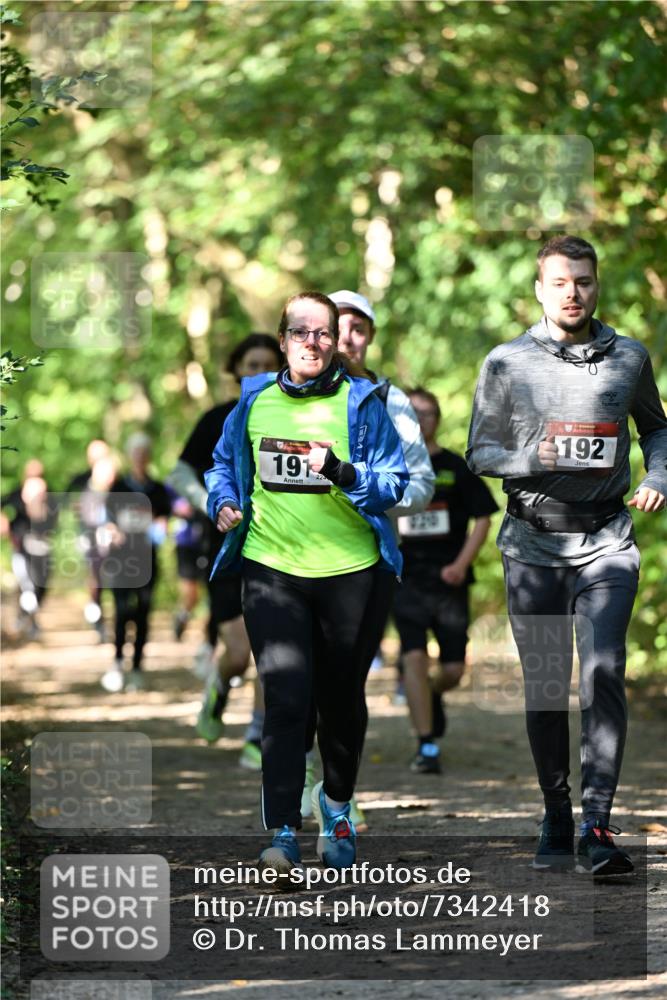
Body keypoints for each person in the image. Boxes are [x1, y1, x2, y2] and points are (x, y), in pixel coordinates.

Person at [466, 235, 667, 877]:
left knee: (603, 673)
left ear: (595, 285)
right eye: (560, 282)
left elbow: (658, 429)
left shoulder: (628, 358)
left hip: (608, 541)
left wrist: (659, 476)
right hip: (532, 546)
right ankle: (556, 810)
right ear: (539, 289)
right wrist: (535, 459)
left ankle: (597, 823)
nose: (572, 292)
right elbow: (480, 452)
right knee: (548, 689)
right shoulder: (505, 363)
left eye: (582, 281)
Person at [205, 292, 408, 873]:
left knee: (340, 701)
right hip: (272, 570)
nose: (313, 342)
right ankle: (283, 831)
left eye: (324, 333)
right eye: (301, 332)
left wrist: (343, 472)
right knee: (287, 697)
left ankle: (337, 804)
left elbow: (394, 483)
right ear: (283, 338)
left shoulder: (363, 401)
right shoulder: (255, 401)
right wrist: (223, 501)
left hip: (352, 573)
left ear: (337, 338)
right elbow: (221, 463)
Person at [168, 333, 282, 756]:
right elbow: (179, 474)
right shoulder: (217, 417)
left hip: (278, 549)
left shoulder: (291, 418)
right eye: (251, 364)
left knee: (271, 650)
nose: (260, 372)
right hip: (225, 550)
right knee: (238, 652)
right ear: (236, 370)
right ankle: (217, 690)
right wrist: (212, 503)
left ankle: (258, 735)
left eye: (269, 364)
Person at [394, 387, 498, 774]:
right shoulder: (393, 466)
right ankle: (427, 745)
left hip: (450, 580)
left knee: (453, 670)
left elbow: (484, 516)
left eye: (428, 413)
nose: (422, 420)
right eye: (414, 413)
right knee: (415, 659)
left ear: (438, 418)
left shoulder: (455, 466)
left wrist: (461, 563)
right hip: (406, 579)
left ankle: (431, 696)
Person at [101, 433, 172, 693]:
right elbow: (107, 521)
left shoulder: (158, 490)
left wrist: (154, 526)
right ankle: (118, 663)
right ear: (130, 456)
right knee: (121, 612)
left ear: (149, 457)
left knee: (143, 613)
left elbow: (162, 524)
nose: (140, 458)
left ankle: (138, 667)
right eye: (136, 453)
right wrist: (114, 530)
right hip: (120, 561)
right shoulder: (118, 486)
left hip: (147, 561)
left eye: (144, 453)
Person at [1, 459, 58, 640]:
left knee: (41, 586)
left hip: (43, 546)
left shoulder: (50, 497)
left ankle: (26, 617)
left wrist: (38, 504)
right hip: (21, 546)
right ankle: (29, 621)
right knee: (27, 585)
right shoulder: (16, 495)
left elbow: (52, 521)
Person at [67, 439, 112, 637]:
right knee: (95, 572)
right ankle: (97, 612)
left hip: (109, 532)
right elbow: (69, 501)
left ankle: (103, 612)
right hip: (87, 532)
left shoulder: (115, 478)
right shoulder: (80, 480)